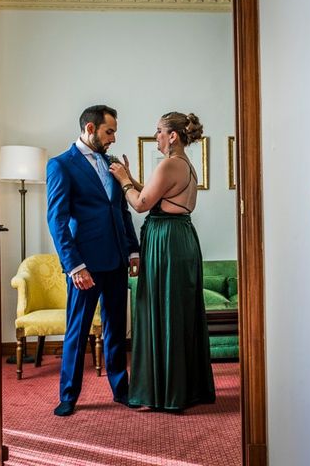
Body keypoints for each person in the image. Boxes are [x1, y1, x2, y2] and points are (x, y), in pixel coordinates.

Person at [109, 111, 216, 412]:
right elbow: (156, 194)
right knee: (177, 310)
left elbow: (142, 205)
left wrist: (121, 181)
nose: (155, 136)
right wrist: (130, 178)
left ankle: (166, 392)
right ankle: (182, 388)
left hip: (166, 241)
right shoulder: (184, 165)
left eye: (158, 131)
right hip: (180, 237)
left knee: (163, 309)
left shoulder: (170, 164)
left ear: (173, 135)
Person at [46, 105, 140, 416]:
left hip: (116, 259)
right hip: (84, 265)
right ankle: (68, 396)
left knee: (116, 327)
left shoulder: (112, 163)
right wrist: (74, 265)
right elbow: (56, 220)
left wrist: (133, 250)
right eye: (108, 131)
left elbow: (121, 210)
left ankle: (121, 390)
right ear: (90, 128)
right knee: (78, 329)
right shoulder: (61, 165)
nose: (113, 138)